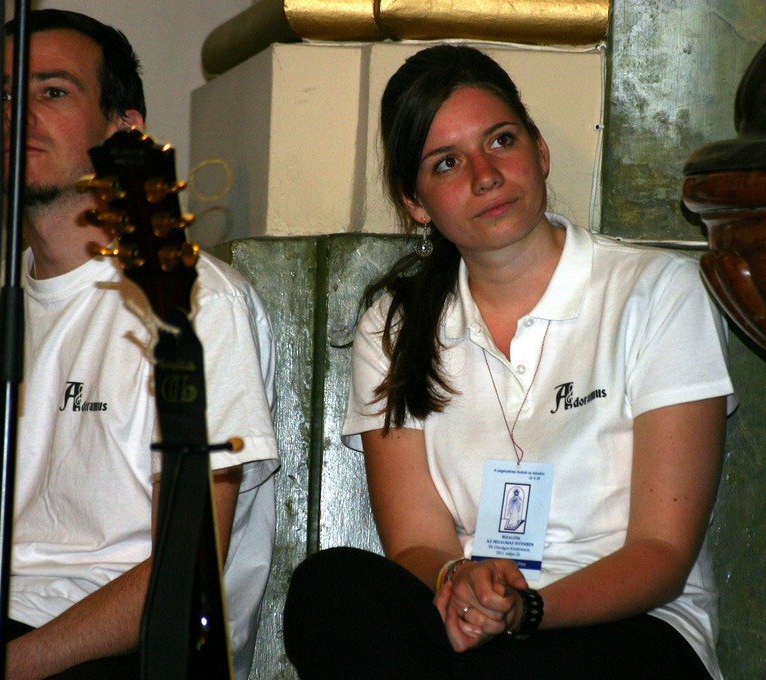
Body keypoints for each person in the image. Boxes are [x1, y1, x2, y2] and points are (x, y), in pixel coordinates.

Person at [283, 45, 735, 679]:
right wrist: (459, 581)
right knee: (330, 587)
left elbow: (661, 552)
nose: (485, 175)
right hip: (477, 631)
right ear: (416, 203)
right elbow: (417, 543)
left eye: (500, 140)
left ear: (540, 152)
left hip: (626, 631)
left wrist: (527, 610)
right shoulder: (394, 325)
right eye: (447, 163)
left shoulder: (657, 291)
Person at [0, 9, 278, 680]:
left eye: (52, 91)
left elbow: (181, 574)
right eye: (0, 96)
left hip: (131, 650)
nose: (16, 115)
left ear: (124, 131)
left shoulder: (194, 301)